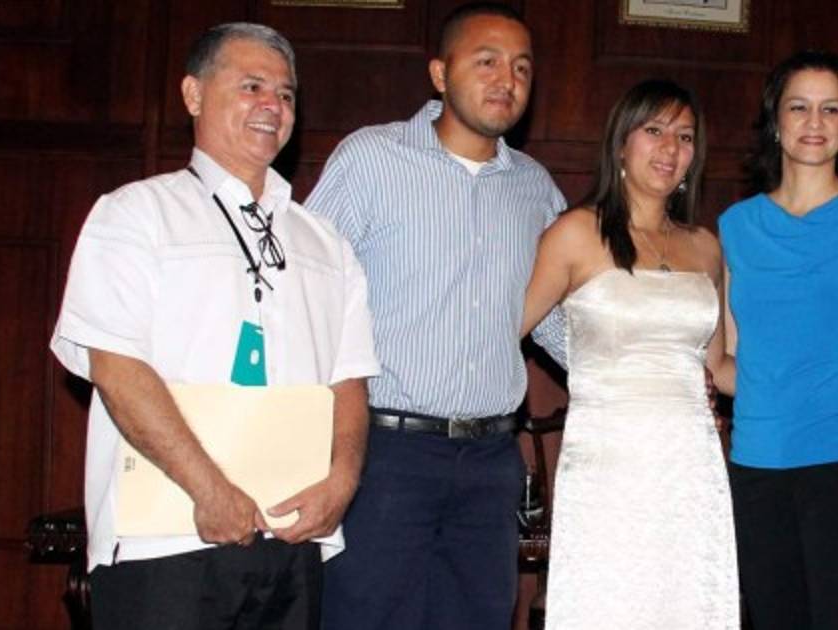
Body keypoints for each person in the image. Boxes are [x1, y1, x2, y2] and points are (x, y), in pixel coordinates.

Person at [49, 22, 380, 629]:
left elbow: (350, 380)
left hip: (292, 540)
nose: (272, 105)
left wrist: (342, 482)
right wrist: (209, 489)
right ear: (193, 95)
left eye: (285, 94)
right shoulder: (135, 214)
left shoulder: (325, 242)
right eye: (252, 86)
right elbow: (116, 368)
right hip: (164, 541)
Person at [304, 3, 567, 629]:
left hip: (492, 462)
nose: (507, 80)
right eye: (487, 61)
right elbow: (307, 292)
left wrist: (645, 380)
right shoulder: (371, 159)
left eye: (522, 67)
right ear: (440, 74)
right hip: (385, 453)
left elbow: (557, 319)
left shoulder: (536, 188)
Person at [521, 78, 738, 629]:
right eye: (654, 130)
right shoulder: (576, 233)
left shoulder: (706, 247)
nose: (670, 148)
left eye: (685, 136)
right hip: (608, 462)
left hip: (690, 465)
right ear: (621, 143)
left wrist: (820, 371)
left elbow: (720, 367)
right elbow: (507, 331)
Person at [714, 49, 838, 629]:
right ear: (775, 120)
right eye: (798, 107)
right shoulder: (735, 226)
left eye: (831, 109)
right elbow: (729, 365)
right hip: (757, 465)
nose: (814, 122)